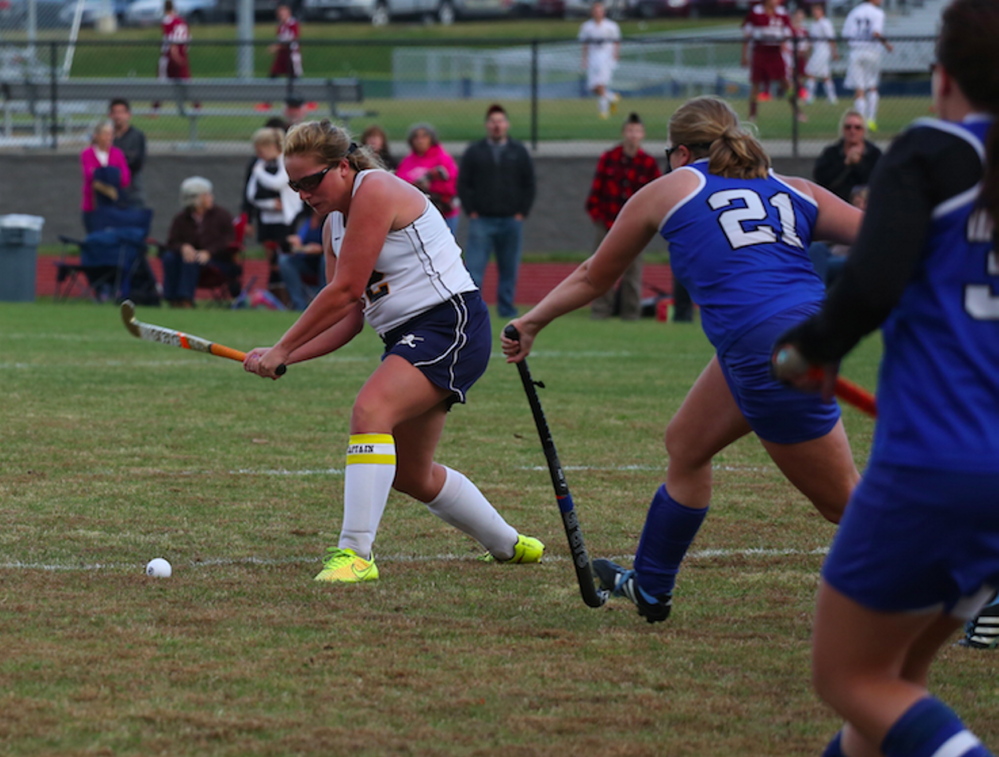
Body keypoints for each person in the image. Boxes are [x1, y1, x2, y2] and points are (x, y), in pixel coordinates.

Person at [502, 95, 862, 624]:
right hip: (792, 336)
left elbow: (594, 275)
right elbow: (883, 237)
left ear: (681, 151)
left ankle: (981, 580)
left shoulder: (673, 187)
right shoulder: (795, 188)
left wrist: (532, 320)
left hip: (766, 346)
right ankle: (651, 586)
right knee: (687, 444)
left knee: (846, 507)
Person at [771, 1, 999, 754]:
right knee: (894, 678)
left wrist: (806, 351)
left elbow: (867, 286)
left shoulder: (936, 151)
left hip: (940, 460)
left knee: (848, 676)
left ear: (941, 78)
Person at [242, 120, 544, 583]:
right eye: (293, 185)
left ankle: (355, 554)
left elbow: (343, 291)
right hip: (406, 338)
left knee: (370, 411)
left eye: (310, 181)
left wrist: (283, 346)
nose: (303, 194)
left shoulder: (376, 190)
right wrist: (284, 354)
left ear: (342, 167)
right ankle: (510, 546)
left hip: (450, 323)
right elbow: (348, 319)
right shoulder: (332, 229)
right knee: (410, 474)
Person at [457, 104, 536, 319]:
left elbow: (529, 183)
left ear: (507, 124)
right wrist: (471, 210)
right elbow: (464, 183)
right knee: (474, 269)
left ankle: (506, 308)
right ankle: (473, 310)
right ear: (487, 125)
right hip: (482, 219)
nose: (496, 125)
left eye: (500, 121)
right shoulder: (475, 151)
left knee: (509, 268)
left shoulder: (518, 152)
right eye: (493, 121)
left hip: (511, 219)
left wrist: (522, 211)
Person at [585, 112, 662, 321]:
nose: (633, 135)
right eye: (629, 130)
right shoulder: (609, 158)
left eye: (637, 131)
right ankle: (600, 312)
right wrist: (597, 215)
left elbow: (657, 193)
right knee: (601, 270)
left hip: (635, 228)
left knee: (633, 273)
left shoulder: (647, 163)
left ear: (642, 134)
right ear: (623, 133)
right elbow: (596, 190)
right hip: (608, 221)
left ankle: (631, 314)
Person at [244, 126, 304, 295]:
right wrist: (270, 204)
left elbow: (278, 183)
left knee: (285, 255)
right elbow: (251, 195)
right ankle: (274, 292)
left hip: (286, 219)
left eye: (260, 149)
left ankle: (290, 293)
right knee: (271, 259)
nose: (258, 154)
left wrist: (259, 172)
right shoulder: (260, 164)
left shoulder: (285, 161)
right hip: (267, 218)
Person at [161, 177, 237, 308]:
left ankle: (185, 299)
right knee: (170, 258)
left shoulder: (221, 215)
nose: (210, 198)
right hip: (187, 258)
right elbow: (172, 242)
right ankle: (171, 298)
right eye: (206, 195)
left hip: (216, 260)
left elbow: (228, 239)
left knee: (192, 261)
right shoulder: (180, 219)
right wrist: (183, 247)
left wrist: (209, 252)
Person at [741, 0, 802, 123]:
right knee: (756, 84)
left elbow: (787, 33)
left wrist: (784, 45)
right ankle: (753, 114)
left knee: (785, 82)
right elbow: (747, 35)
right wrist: (744, 55)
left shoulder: (782, 13)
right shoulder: (756, 13)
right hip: (760, 52)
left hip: (775, 52)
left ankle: (797, 110)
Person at [396, 122, 460, 236]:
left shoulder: (443, 159)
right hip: (416, 215)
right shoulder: (407, 161)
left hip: (443, 213)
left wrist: (430, 186)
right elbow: (399, 184)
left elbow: (452, 186)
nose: (420, 140)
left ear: (432, 139)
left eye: (424, 136)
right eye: (416, 137)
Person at [842, 0, 893, 132]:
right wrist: (886, 44)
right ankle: (871, 120)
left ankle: (860, 121)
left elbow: (845, 34)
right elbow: (875, 32)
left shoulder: (854, 12)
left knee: (859, 89)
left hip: (856, 51)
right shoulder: (878, 13)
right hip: (872, 51)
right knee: (872, 87)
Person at [813, 109, 882, 202]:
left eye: (857, 127)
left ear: (864, 130)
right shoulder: (831, 153)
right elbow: (821, 180)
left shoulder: (874, 153)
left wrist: (859, 164)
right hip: (837, 202)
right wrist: (845, 163)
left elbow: (879, 182)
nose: (852, 131)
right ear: (842, 130)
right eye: (848, 127)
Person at [80, 120, 131, 233]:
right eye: (105, 134)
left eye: (111, 134)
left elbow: (125, 178)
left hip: (114, 204)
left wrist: (100, 174)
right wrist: (113, 174)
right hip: (92, 205)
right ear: (96, 136)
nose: (109, 137)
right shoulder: (87, 153)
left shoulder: (117, 153)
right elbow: (89, 175)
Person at [578, 0, 621, 120]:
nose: (598, 13)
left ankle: (603, 111)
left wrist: (615, 55)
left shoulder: (611, 26)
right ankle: (612, 98)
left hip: (605, 57)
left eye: (600, 10)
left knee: (601, 84)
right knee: (593, 87)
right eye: (595, 10)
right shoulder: (587, 27)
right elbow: (584, 44)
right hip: (593, 57)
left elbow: (617, 42)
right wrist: (584, 58)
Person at [278, 207, 326, 311]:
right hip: (303, 259)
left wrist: (322, 249)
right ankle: (299, 305)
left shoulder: (331, 218)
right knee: (284, 260)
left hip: (324, 259)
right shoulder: (301, 217)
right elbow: (284, 242)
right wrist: (289, 241)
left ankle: (324, 302)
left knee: (325, 260)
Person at [154, 0, 192, 115]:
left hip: (170, 56)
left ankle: (155, 110)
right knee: (186, 82)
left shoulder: (168, 21)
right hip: (183, 53)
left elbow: (171, 40)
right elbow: (188, 38)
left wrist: (174, 55)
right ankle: (197, 106)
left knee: (161, 81)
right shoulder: (182, 21)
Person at [109, 98, 146, 208]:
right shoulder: (107, 137)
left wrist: (115, 161)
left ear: (128, 115)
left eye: (121, 112)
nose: (118, 116)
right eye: (115, 112)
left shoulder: (137, 136)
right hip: (110, 192)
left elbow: (136, 163)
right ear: (110, 115)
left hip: (133, 191)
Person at [803, 2, 839, 106]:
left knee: (810, 73)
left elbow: (831, 38)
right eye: (814, 11)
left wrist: (834, 52)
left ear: (822, 12)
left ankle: (809, 97)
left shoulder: (825, 23)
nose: (815, 12)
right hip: (817, 51)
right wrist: (808, 50)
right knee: (825, 76)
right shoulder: (814, 24)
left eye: (817, 10)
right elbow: (811, 41)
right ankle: (832, 98)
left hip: (823, 52)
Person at [268, 3, 302, 80]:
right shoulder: (281, 26)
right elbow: (281, 38)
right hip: (282, 53)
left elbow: (292, 38)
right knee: (274, 73)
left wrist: (278, 47)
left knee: (293, 74)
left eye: (283, 14)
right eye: (280, 14)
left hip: (290, 53)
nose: (281, 16)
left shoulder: (292, 24)